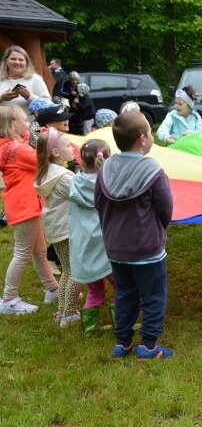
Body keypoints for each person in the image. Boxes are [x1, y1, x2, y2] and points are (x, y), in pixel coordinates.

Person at [95, 111, 174, 359]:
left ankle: (123, 343)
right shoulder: (153, 171)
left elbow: (98, 203)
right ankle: (149, 346)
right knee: (153, 297)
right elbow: (165, 208)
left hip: (116, 248)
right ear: (142, 139)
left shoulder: (106, 168)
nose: (151, 137)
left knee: (125, 294)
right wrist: (160, 231)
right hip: (147, 249)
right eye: (150, 133)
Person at [0, 106, 59, 315]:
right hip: (25, 207)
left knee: (40, 251)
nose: (29, 124)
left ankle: (52, 289)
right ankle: (9, 299)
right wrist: (50, 142)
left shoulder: (13, 147)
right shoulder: (19, 150)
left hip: (26, 206)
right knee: (22, 253)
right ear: (13, 126)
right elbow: (44, 163)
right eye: (25, 121)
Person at [34, 128, 80, 327]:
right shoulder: (64, 177)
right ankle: (69, 313)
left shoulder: (49, 173)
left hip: (56, 229)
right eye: (68, 145)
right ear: (55, 152)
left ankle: (62, 310)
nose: (72, 148)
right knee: (77, 271)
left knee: (67, 270)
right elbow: (83, 197)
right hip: (66, 230)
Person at [69, 139, 115, 335]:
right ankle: (122, 324)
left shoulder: (74, 183)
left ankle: (90, 330)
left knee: (95, 290)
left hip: (84, 248)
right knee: (122, 286)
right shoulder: (110, 185)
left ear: (80, 161)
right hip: (106, 248)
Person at [0, 46, 52, 117]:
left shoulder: (35, 79)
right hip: (3, 126)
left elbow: (49, 105)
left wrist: (29, 97)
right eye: (13, 59)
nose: (17, 62)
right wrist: (1, 98)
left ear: (26, 62)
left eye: (21, 60)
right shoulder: (1, 79)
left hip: (29, 126)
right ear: (6, 61)